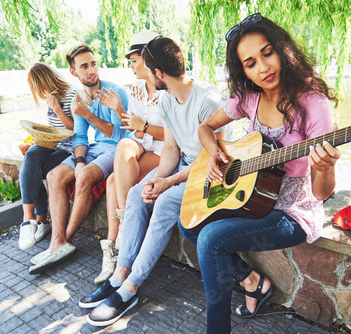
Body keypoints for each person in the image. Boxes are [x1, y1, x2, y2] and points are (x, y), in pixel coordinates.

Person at [178, 13, 341, 333]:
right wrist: (215, 154)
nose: (263, 67)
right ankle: (253, 281)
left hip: (294, 209)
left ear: (283, 50)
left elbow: (322, 193)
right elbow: (205, 127)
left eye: (267, 53)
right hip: (255, 195)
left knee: (210, 238)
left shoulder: (314, 104)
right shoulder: (247, 99)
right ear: (244, 71)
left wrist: (325, 165)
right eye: (250, 62)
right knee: (190, 225)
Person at [79, 36, 233, 326]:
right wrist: (158, 179)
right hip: (182, 167)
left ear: (158, 73)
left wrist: (167, 183)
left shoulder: (208, 100)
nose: (145, 75)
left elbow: (211, 160)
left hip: (211, 173)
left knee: (163, 204)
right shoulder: (166, 100)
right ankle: (120, 273)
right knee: (138, 193)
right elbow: (172, 150)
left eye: (148, 69)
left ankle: (131, 287)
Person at [29, 44, 129, 275]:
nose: (91, 70)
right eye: (84, 66)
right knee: (54, 175)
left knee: (82, 176)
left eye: (93, 63)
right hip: (94, 149)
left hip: (117, 149)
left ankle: (65, 239)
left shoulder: (115, 92)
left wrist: (89, 114)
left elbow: (122, 134)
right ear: (74, 72)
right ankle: (57, 242)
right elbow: (81, 137)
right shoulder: (79, 99)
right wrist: (80, 161)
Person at [91, 30, 165, 285]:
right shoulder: (136, 89)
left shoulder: (166, 89)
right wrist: (119, 110)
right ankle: (122, 229)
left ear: (147, 59)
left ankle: (115, 244)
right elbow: (132, 127)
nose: (131, 66)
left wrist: (143, 126)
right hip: (142, 144)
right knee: (124, 145)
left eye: (134, 60)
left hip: (163, 150)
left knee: (112, 182)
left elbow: (175, 134)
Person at [18, 63, 77, 251]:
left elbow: (75, 128)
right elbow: (53, 129)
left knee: (32, 171)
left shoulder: (71, 94)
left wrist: (58, 108)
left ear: (44, 81)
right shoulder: (51, 97)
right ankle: (31, 220)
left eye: (37, 87)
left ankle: (38, 221)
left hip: (70, 149)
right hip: (54, 146)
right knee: (32, 155)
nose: (38, 92)